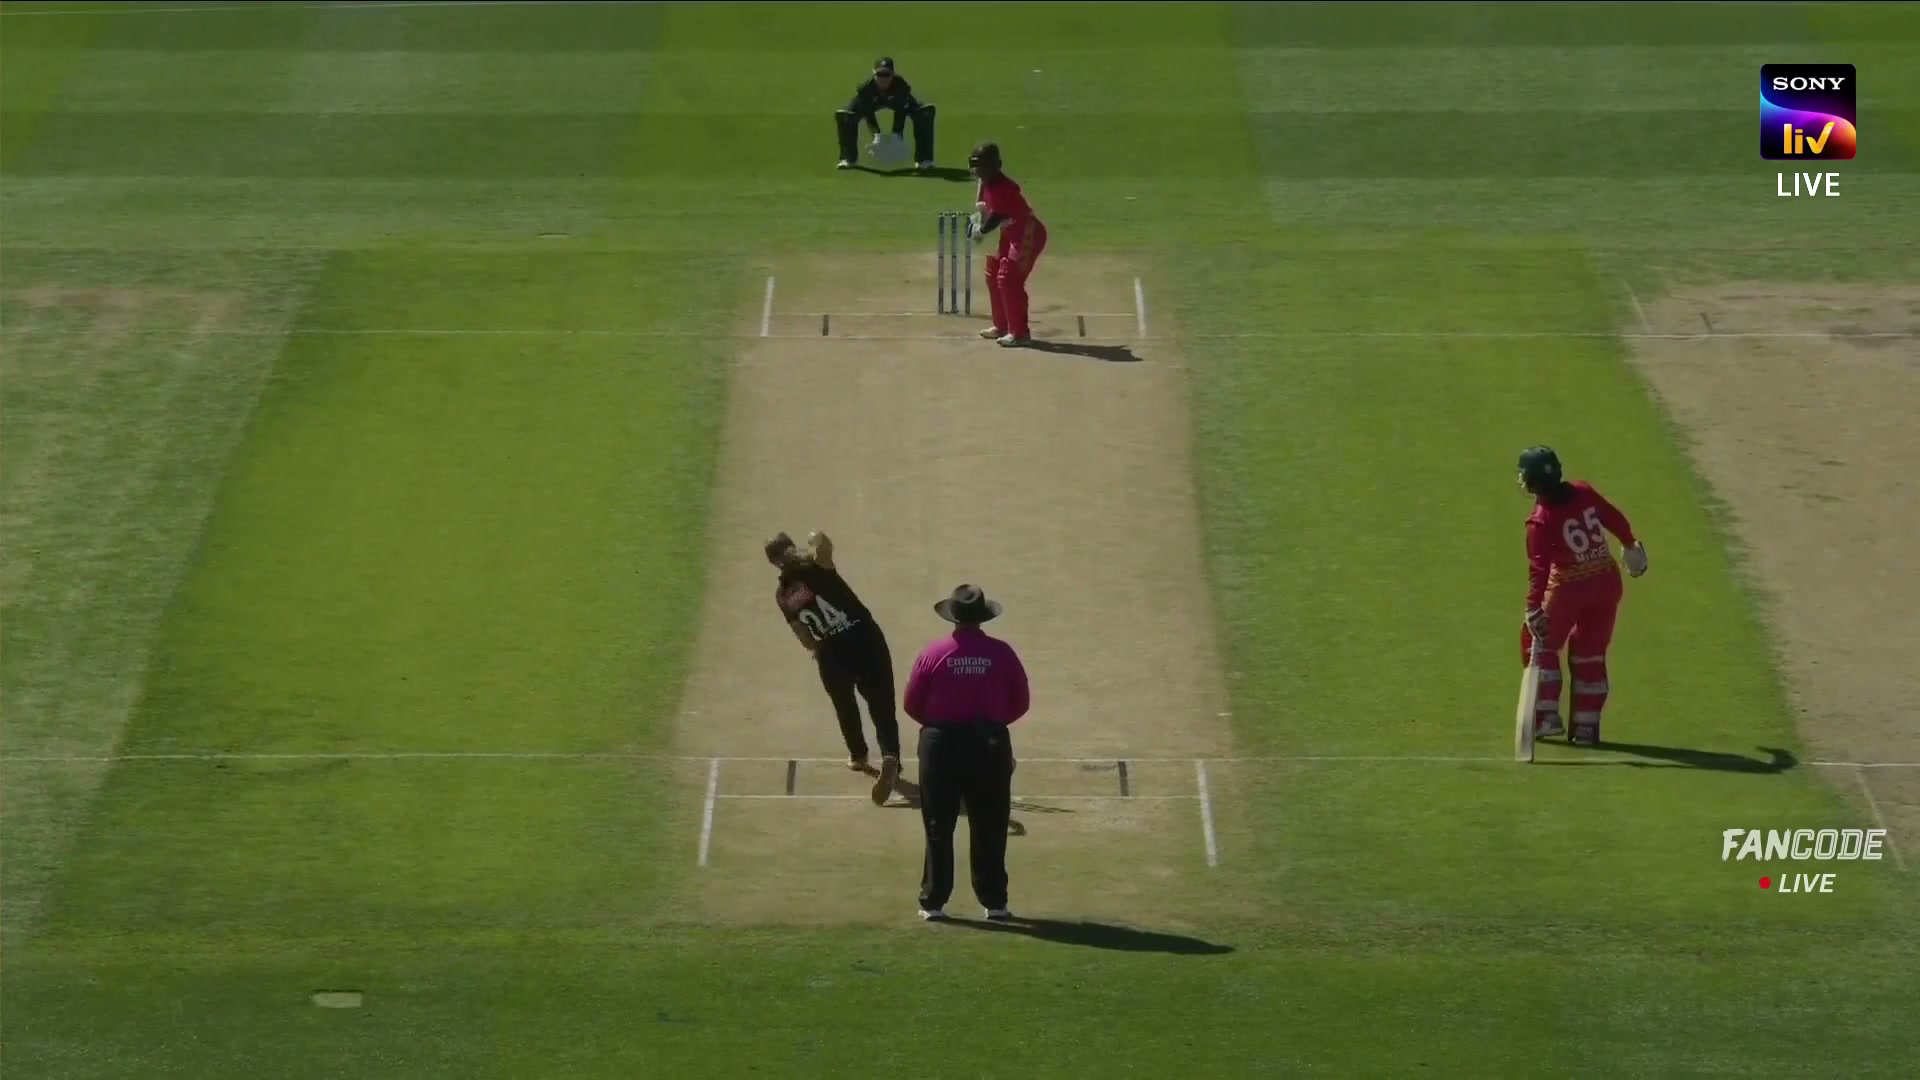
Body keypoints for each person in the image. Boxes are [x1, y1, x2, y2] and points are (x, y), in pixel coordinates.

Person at [902, 584, 1031, 922]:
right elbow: (1021, 701)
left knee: (938, 823)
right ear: (983, 617)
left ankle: (934, 902)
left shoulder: (933, 653)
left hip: (941, 744)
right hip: (988, 744)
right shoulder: (1002, 653)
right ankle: (995, 902)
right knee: (991, 823)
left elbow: (912, 704)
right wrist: (994, 724)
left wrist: (939, 726)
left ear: (953, 618)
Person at [1517, 447, 1649, 746]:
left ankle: (1546, 717)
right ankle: (1587, 727)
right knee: (1590, 652)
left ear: (1531, 481)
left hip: (1569, 587)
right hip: (1607, 582)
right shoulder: (1584, 491)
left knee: (1539, 644)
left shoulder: (1539, 521)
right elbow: (1615, 518)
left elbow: (1539, 569)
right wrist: (1630, 544)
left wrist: (1533, 607)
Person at [766, 530, 902, 804]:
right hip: (864, 637)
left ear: (774, 563)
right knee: (881, 703)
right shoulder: (817, 567)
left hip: (829, 650)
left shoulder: (783, 596)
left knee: (844, 704)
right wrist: (814, 538)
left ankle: (858, 755)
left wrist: (818, 650)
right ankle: (890, 755)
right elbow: (825, 544)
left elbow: (803, 636)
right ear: (791, 547)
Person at [967, 142, 1048, 347]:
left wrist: (981, 230)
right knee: (994, 272)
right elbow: (984, 190)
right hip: (1011, 233)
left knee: (1009, 278)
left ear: (995, 166)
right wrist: (980, 208)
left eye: (982, 167)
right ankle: (1002, 326)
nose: (978, 172)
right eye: (976, 167)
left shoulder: (1003, 188)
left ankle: (1020, 333)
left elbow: (996, 217)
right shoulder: (988, 180)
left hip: (1028, 233)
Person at [834, 57, 937, 171]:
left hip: (896, 102)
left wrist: (897, 134)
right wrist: (876, 135)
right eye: (879, 74)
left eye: (887, 75)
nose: (883, 79)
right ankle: (848, 159)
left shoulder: (901, 86)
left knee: (925, 114)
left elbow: (900, 110)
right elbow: (868, 112)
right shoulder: (865, 89)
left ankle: (924, 160)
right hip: (872, 103)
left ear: (892, 75)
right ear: (874, 74)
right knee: (846, 117)